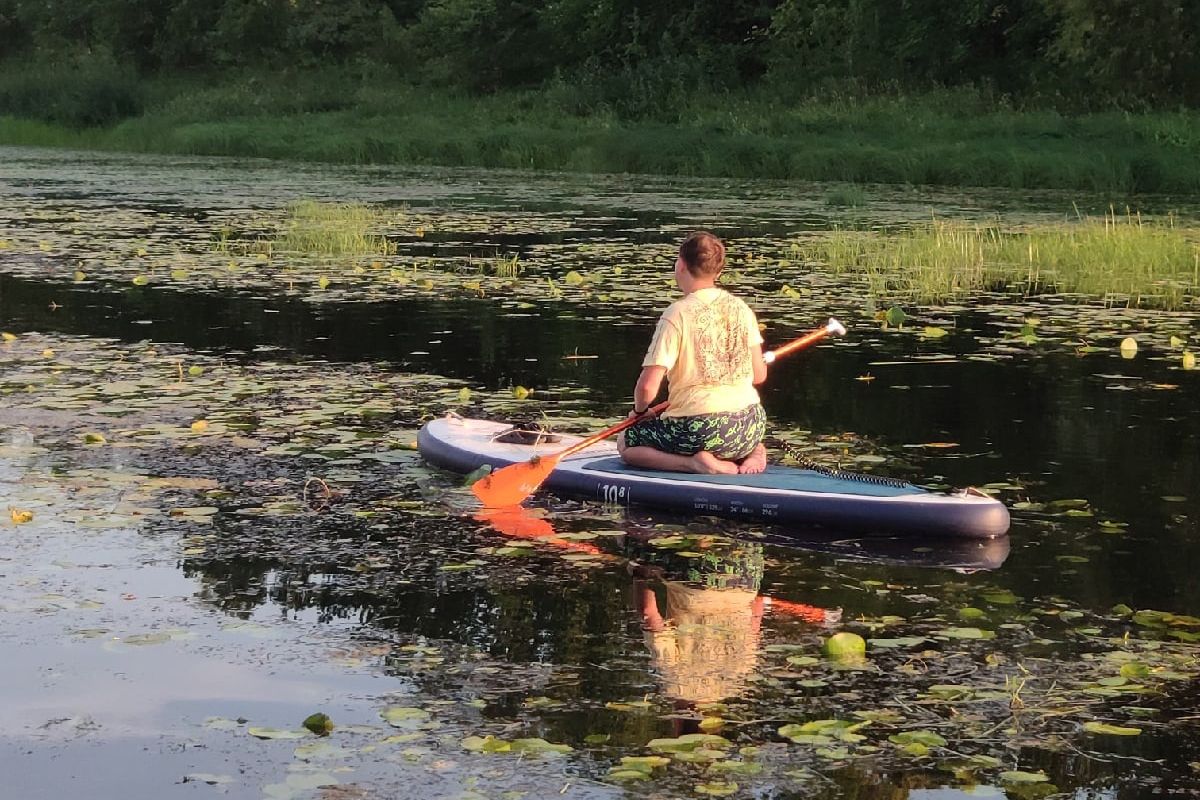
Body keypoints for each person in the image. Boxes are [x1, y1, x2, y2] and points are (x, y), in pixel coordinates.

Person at [618, 231, 768, 475]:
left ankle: (694, 463)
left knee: (627, 443)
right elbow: (758, 376)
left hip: (702, 428)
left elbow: (647, 388)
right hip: (751, 422)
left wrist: (640, 412)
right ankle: (753, 451)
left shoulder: (677, 313)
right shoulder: (742, 308)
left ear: (681, 265)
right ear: (718, 272)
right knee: (738, 435)